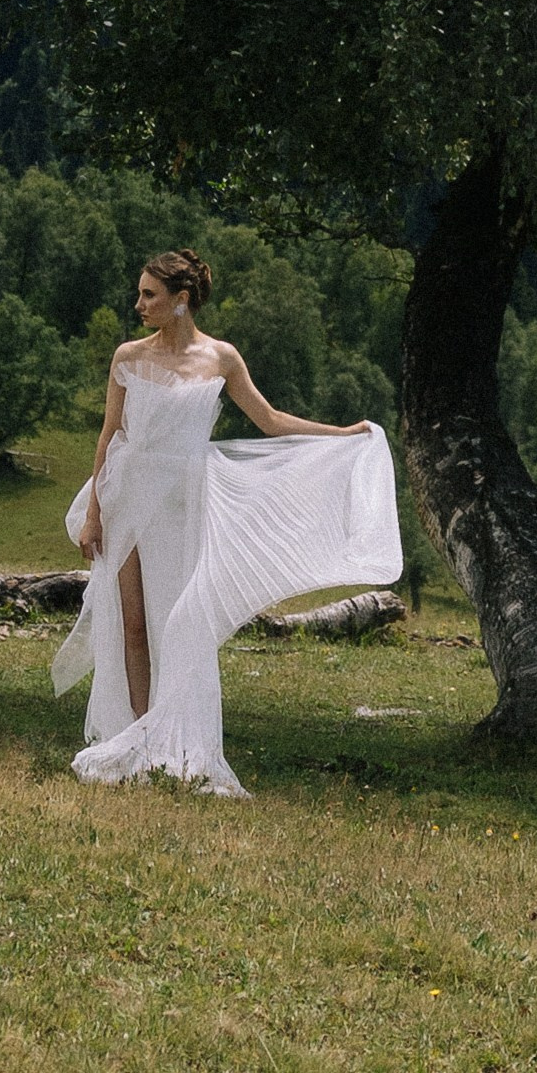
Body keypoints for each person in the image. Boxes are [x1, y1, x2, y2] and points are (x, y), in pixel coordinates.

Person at [51, 248, 403, 791]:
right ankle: (141, 740)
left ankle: (177, 739)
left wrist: (344, 435)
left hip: (185, 503)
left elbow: (268, 419)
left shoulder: (221, 358)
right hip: (127, 495)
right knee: (134, 626)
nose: (138, 303)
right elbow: (109, 437)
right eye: (140, 292)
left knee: (180, 624)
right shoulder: (127, 356)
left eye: (150, 294)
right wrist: (94, 514)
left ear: (182, 300)